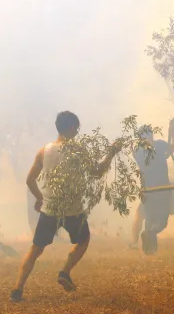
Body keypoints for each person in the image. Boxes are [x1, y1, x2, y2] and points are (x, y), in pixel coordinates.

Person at [11, 111, 120, 302]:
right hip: (73, 210)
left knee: (35, 250)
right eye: (77, 129)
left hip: (50, 209)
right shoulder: (77, 151)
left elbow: (29, 181)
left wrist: (39, 198)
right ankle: (65, 272)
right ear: (71, 128)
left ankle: (17, 290)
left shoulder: (43, 151)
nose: (77, 133)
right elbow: (96, 172)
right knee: (83, 240)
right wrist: (111, 153)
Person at [130, 119, 174, 254]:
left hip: (147, 191)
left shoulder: (136, 151)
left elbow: (154, 159)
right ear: (151, 135)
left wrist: (171, 134)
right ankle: (150, 236)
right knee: (162, 221)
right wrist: (172, 131)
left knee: (149, 218)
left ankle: (149, 250)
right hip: (163, 189)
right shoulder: (159, 145)